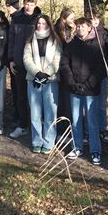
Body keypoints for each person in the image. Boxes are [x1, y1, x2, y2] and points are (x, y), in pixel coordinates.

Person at [59, 17, 105, 165]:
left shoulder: (96, 45)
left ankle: (95, 150)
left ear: (89, 28)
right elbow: (64, 65)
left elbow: (100, 69)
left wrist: (87, 85)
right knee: (76, 120)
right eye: (78, 27)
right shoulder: (71, 45)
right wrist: (73, 84)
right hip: (74, 89)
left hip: (91, 90)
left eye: (83, 27)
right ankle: (77, 147)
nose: (80, 29)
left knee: (92, 122)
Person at [23, 14, 62, 154]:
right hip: (33, 80)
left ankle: (49, 141)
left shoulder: (55, 41)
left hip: (50, 81)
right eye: (38, 23)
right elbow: (26, 59)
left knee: (50, 113)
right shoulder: (29, 41)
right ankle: (37, 141)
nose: (41, 26)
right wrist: (37, 73)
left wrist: (46, 74)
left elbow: (57, 60)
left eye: (43, 23)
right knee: (35, 113)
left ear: (48, 25)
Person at [7, 0, 42, 139]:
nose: (28, 7)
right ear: (23, 4)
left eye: (31, 4)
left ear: (35, 5)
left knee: (35, 98)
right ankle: (22, 125)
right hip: (18, 64)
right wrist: (11, 59)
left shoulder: (40, 19)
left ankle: (38, 127)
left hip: (35, 65)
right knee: (20, 96)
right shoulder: (16, 18)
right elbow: (11, 40)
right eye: (26, 4)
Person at [86, 8, 108, 143]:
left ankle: (102, 129)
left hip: (102, 74)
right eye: (90, 19)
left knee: (101, 104)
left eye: (95, 19)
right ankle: (89, 130)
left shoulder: (105, 34)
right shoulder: (84, 33)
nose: (93, 22)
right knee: (88, 105)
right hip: (86, 75)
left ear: (98, 19)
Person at [54, 8, 76, 134]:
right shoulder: (59, 31)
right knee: (63, 100)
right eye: (71, 18)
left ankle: (66, 127)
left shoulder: (67, 30)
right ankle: (62, 128)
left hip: (67, 68)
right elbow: (66, 48)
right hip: (61, 69)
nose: (73, 21)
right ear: (64, 18)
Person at [5, 0, 21, 127]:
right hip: (13, 59)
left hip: (16, 60)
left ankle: (19, 117)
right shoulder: (14, 18)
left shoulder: (17, 18)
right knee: (16, 89)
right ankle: (17, 114)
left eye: (7, 6)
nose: (6, 9)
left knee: (18, 90)